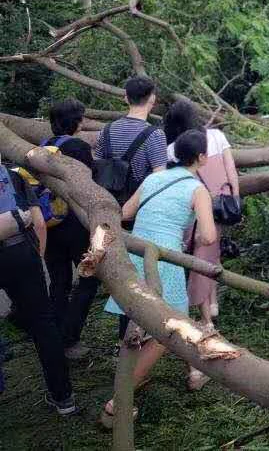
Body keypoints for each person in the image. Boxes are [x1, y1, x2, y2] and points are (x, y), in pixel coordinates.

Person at [102, 129, 216, 425]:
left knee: (137, 325)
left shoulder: (154, 178)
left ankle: (190, 372)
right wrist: (187, 232)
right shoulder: (197, 189)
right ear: (202, 157)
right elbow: (208, 235)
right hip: (164, 261)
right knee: (171, 330)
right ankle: (118, 401)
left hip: (135, 254)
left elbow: (126, 211)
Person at [0, 156, 76, 414]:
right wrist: (38, 258)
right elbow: (39, 222)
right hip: (20, 252)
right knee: (44, 324)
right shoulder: (14, 176)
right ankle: (64, 398)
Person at [164, 101, 238, 332]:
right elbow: (231, 169)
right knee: (211, 252)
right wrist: (235, 198)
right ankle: (212, 303)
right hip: (222, 204)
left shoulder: (172, 149)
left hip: (194, 207)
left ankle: (207, 316)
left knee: (200, 256)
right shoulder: (216, 136)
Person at [43, 99, 98, 361]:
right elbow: (89, 185)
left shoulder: (44, 146)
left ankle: (54, 337)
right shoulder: (78, 147)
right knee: (89, 278)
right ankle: (70, 337)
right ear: (76, 121)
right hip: (75, 225)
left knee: (59, 282)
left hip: (50, 222)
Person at [95, 75, 167, 203]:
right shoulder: (155, 135)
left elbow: (97, 167)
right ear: (152, 98)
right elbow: (159, 178)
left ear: (126, 99)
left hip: (106, 202)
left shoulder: (106, 130)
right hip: (139, 206)